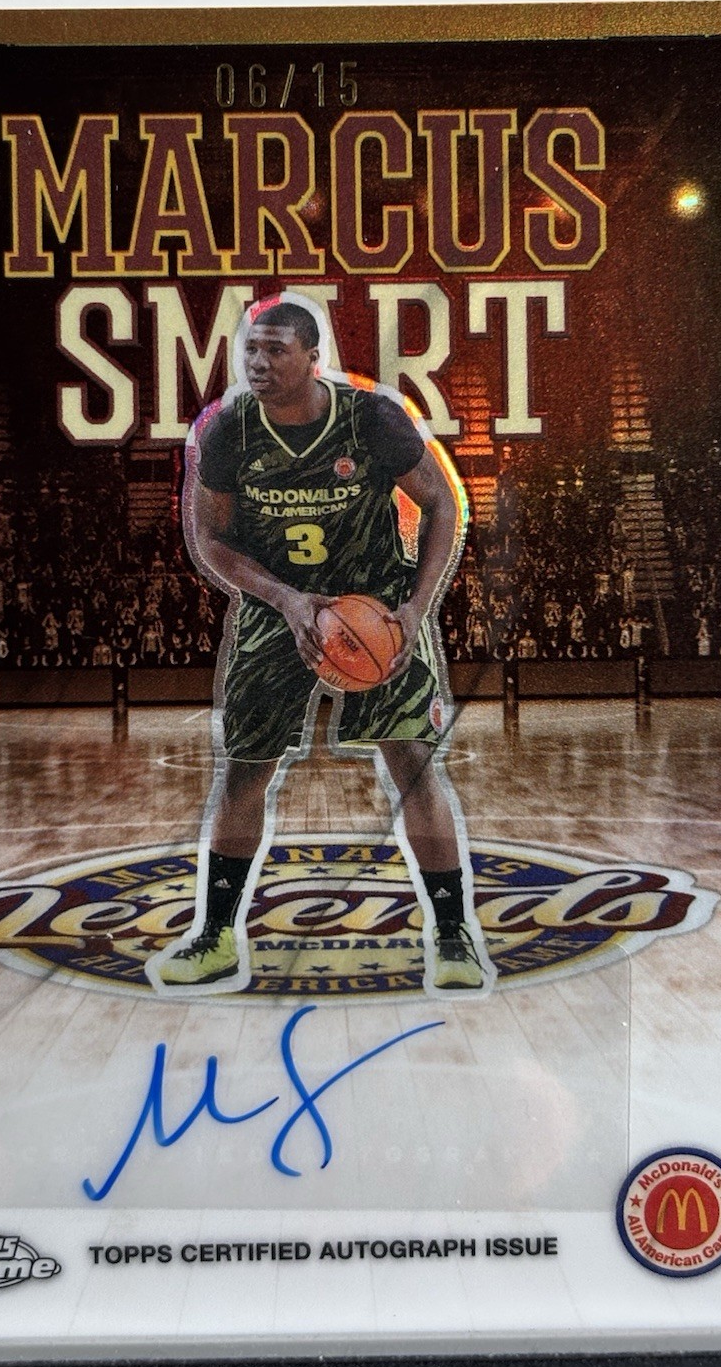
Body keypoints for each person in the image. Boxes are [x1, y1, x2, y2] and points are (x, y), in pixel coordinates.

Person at [149, 297, 490, 996]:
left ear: (312, 358)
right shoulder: (229, 430)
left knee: (414, 765)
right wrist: (287, 600)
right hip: (278, 610)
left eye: (275, 350)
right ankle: (216, 937)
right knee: (245, 772)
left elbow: (441, 503)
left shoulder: (371, 419)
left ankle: (454, 936)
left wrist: (415, 609)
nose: (257, 362)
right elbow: (210, 537)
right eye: (251, 349)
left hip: (373, 605)